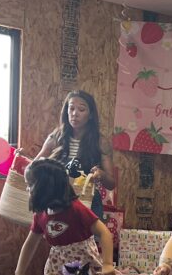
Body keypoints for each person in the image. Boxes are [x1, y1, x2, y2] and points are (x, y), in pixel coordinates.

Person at [35, 90, 115, 219]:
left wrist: (101, 174)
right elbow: (35, 166)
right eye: (71, 108)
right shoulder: (55, 137)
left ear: (90, 115)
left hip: (88, 202)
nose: (74, 114)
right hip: (57, 201)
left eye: (81, 109)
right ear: (66, 111)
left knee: (91, 239)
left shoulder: (100, 142)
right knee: (58, 237)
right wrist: (22, 158)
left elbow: (111, 183)